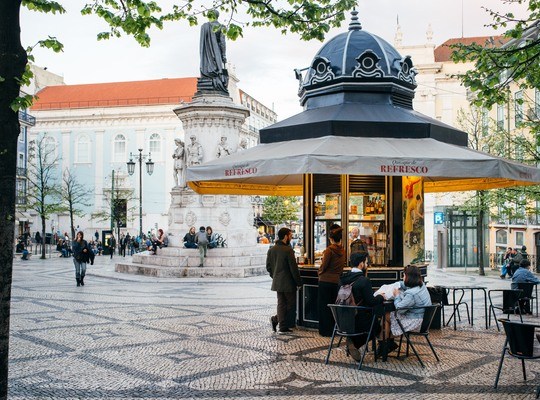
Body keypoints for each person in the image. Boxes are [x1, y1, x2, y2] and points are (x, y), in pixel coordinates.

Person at [339, 252, 385, 360]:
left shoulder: (342, 279)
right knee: (377, 326)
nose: (367, 265)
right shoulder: (364, 281)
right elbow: (371, 301)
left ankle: (352, 341)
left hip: (343, 320)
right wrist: (381, 297)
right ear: (361, 264)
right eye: (366, 262)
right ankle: (354, 343)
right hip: (359, 321)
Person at [385, 265, 431, 353]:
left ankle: (385, 345)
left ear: (409, 277)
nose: (403, 277)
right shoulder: (422, 286)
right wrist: (398, 284)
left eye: (404, 275)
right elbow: (406, 285)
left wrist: (397, 295)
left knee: (386, 316)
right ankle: (388, 344)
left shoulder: (411, 294)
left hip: (415, 322)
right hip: (424, 320)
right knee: (389, 317)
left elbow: (400, 309)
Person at [266, 227, 302, 334]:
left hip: (277, 282)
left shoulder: (271, 250)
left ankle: (281, 325)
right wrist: (299, 282)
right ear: (286, 236)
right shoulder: (288, 250)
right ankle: (277, 320)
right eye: (290, 235)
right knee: (290, 303)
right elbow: (293, 268)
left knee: (281, 303)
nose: (291, 237)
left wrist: (275, 276)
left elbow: (268, 267)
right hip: (288, 282)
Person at [317, 227, 346, 337]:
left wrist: (320, 272)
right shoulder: (343, 250)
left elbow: (324, 266)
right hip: (336, 281)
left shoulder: (329, 250)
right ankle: (334, 329)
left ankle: (325, 331)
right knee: (334, 306)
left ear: (331, 239)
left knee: (324, 306)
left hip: (325, 281)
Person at [199, 10, 228, 93]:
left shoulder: (204, 27)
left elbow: (202, 44)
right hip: (217, 53)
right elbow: (222, 43)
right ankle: (217, 83)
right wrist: (224, 56)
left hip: (206, 57)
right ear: (217, 16)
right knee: (218, 71)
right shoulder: (222, 27)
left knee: (208, 72)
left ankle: (207, 82)